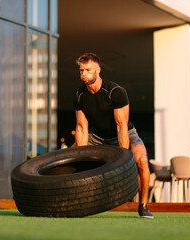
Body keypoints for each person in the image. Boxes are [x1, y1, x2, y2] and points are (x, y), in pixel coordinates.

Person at [72, 52, 153, 218]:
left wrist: (123, 161)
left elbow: (121, 126)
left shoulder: (115, 92)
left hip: (124, 133)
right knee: (69, 157)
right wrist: (82, 158)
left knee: (142, 160)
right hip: (97, 137)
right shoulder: (79, 95)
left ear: (98, 70)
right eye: (81, 70)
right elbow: (81, 128)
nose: (84, 74)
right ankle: (76, 202)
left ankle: (143, 205)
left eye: (88, 70)